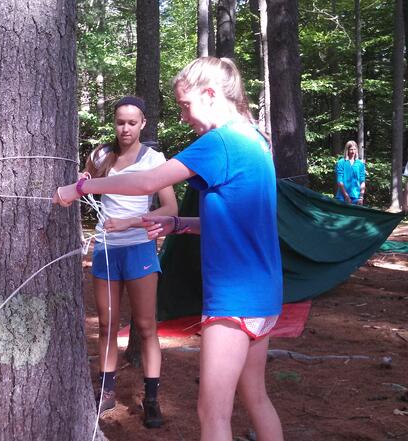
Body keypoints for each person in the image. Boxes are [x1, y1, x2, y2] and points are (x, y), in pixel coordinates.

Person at [54, 57, 284, 441]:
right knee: (256, 397)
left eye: (186, 105)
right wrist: (177, 224)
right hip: (265, 295)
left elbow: (147, 183)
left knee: (212, 414)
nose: (183, 116)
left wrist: (81, 187)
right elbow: (237, 220)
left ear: (210, 94)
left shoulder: (220, 142)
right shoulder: (256, 139)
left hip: (234, 301)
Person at [83, 96, 177, 427]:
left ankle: (151, 399)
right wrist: (79, 182)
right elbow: (84, 183)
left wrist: (130, 223)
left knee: (147, 325)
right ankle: (106, 391)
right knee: (107, 324)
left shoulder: (155, 160)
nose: (125, 128)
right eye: (120, 122)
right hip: (106, 249)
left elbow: (171, 209)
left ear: (143, 124)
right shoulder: (101, 155)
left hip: (139, 248)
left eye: (132, 123)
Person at [335, 140, 366, 205]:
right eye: (351, 149)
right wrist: (346, 196)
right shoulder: (341, 162)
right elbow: (339, 181)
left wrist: (361, 197)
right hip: (342, 197)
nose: (353, 152)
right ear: (347, 150)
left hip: (356, 197)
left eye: (354, 149)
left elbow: (362, 181)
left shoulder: (360, 164)